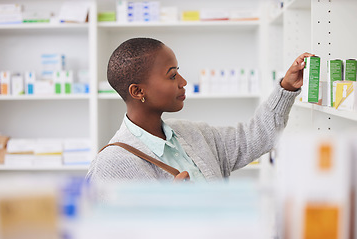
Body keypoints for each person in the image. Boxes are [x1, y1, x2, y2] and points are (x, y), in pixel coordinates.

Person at [86, 37, 313, 184]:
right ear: (137, 92)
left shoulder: (194, 134)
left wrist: (287, 87)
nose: (183, 81)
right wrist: (167, 209)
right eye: (172, 75)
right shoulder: (111, 164)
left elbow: (254, 138)